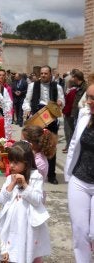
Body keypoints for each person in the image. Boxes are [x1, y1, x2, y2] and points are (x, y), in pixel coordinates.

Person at [0, 141, 51, 263]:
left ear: (26, 164)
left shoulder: (36, 176)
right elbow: (0, 199)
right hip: (11, 220)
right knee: (11, 248)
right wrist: (11, 184)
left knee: (27, 249)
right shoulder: (9, 178)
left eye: (15, 162)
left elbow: (38, 200)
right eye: (10, 161)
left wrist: (25, 185)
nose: (11, 165)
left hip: (27, 223)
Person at [64, 83, 94, 262]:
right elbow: (74, 143)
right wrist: (69, 175)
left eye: (92, 98)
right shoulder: (84, 115)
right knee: (80, 232)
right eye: (88, 97)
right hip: (79, 180)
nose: (88, 102)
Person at [22, 65, 64, 184]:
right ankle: (33, 172)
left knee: (51, 146)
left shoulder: (58, 87)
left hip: (51, 117)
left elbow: (62, 101)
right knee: (34, 146)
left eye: (46, 73)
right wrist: (27, 109)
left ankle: (51, 175)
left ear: (50, 74)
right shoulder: (32, 85)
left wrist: (60, 103)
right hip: (37, 116)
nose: (43, 75)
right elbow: (26, 100)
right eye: (42, 73)